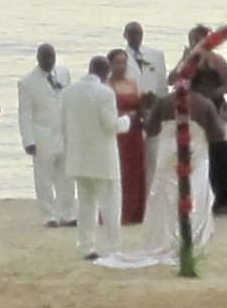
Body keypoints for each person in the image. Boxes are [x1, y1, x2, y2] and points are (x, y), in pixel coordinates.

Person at [95, 69, 226, 269]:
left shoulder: (164, 102)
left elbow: (150, 129)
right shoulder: (205, 104)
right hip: (195, 158)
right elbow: (218, 135)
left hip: (167, 157)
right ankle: (190, 241)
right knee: (195, 196)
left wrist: (146, 111)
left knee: (165, 198)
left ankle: (163, 240)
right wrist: (222, 119)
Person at [61, 56, 131, 260]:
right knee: (110, 206)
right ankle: (112, 247)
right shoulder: (105, 93)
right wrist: (127, 121)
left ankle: (86, 246)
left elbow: (63, 124)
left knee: (85, 204)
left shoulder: (69, 92)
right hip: (103, 159)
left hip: (79, 157)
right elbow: (110, 125)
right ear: (106, 72)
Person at [169, 24, 227, 213]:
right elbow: (172, 80)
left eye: (198, 39)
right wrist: (183, 60)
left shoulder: (216, 60)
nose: (195, 43)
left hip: (214, 105)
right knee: (196, 152)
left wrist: (209, 97)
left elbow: (226, 85)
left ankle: (225, 199)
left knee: (219, 152)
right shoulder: (187, 61)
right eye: (192, 39)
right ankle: (198, 197)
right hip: (193, 108)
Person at [17, 43, 77, 227]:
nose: (49, 61)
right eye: (45, 57)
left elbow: (69, 100)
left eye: (52, 57)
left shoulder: (63, 73)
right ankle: (48, 215)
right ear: (38, 58)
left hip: (64, 133)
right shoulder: (27, 82)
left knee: (66, 176)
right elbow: (25, 113)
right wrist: (28, 140)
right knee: (43, 177)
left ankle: (67, 213)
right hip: (42, 134)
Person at [122, 21, 168, 193]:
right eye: (131, 33)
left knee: (154, 159)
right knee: (132, 160)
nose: (135, 37)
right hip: (132, 114)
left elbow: (162, 86)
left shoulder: (156, 55)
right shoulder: (120, 58)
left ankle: (151, 197)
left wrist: (160, 111)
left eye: (138, 33)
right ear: (125, 35)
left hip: (154, 113)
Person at [106, 48, 146, 224]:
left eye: (124, 62)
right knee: (120, 170)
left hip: (134, 132)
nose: (121, 66)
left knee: (136, 170)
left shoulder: (132, 83)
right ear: (110, 65)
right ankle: (119, 212)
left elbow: (140, 106)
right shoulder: (106, 85)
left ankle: (136, 212)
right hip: (118, 132)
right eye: (118, 63)